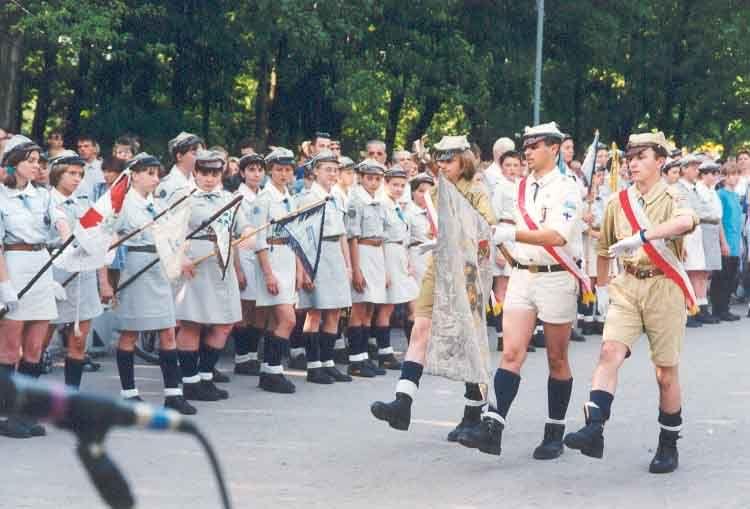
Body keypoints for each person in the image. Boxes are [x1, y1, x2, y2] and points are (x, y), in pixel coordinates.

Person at [564, 131, 698, 474]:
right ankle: (595, 427)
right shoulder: (616, 202)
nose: (633, 163)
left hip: (663, 286)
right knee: (609, 352)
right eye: (630, 157)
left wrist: (642, 236)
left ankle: (669, 443)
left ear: (660, 160)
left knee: (665, 373)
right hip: (627, 287)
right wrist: (604, 289)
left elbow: (686, 222)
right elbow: (606, 249)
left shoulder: (674, 195)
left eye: (641, 156)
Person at [459, 122, 585, 460]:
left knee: (556, 357)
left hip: (556, 276)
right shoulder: (522, 186)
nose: (527, 151)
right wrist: (497, 236)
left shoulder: (568, 188)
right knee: (511, 352)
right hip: (523, 274)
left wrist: (511, 235)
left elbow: (557, 235)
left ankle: (554, 430)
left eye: (535, 145)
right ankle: (494, 425)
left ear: (554, 148)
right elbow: (508, 225)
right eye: (525, 146)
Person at [370, 135, 496, 441]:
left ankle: (472, 412)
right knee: (420, 329)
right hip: (439, 266)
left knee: (468, 340)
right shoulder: (439, 189)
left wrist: (459, 239)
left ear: (464, 161)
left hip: (466, 271)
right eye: (439, 159)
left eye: (448, 160)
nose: (442, 165)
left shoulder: (476, 191)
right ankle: (403, 403)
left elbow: (487, 230)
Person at [111, 153, 194, 414]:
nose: (154, 178)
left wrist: (181, 256)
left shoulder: (157, 205)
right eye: (148, 173)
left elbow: (171, 236)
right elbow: (108, 238)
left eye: (156, 174)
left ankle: (173, 393)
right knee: (130, 332)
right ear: (133, 174)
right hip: (136, 265)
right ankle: (129, 393)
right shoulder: (122, 204)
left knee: (168, 331)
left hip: (159, 268)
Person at [0, 135, 70, 438]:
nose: (36, 166)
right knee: (8, 350)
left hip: (41, 266)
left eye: (37, 160)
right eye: (29, 161)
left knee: (34, 349)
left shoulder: (45, 194)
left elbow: (59, 219)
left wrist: (67, 234)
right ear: (13, 164)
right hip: (13, 267)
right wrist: (4, 287)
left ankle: (23, 412)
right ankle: (6, 413)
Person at [175, 150, 251, 402]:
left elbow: (242, 226)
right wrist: (181, 258)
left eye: (214, 173)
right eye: (204, 173)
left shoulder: (229, 199)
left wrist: (249, 233)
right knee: (192, 322)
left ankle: (206, 375)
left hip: (222, 264)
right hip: (195, 264)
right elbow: (171, 233)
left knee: (224, 323)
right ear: (195, 173)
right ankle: (190, 381)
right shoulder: (184, 198)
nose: (209, 178)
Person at [45, 151, 109, 389]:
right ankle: (23, 402)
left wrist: (103, 281)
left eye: (80, 174)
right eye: (71, 173)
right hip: (55, 272)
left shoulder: (85, 204)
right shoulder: (46, 201)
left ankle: (71, 398)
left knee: (79, 342)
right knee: (38, 342)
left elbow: (98, 243)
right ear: (57, 172)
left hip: (84, 274)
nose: (77, 178)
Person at [296, 150, 353, 384]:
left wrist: (348, 264)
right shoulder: (309, 198)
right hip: (316, 254)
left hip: (334, 254)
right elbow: (300, 236)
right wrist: (305, 269)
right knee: (315, 311)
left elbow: (341, 235)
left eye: (335, 169)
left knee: (335, 310)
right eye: (327, 169)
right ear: (315, 171)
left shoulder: (337, 198)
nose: (332, 173)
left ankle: (328, 362)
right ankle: (313, 365)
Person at [251, 147, 301, 394]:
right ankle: (274, 370)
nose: (284, 174)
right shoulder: (265, 198)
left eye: (288, 169)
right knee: (288, 320)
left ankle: (268, 373)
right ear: (271, 170)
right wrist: (268, 273)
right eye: (279, 169)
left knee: (275, 321)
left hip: (287, 259)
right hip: (271, 259)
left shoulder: (288, 196)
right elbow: (258, 239)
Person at [346, 159, 389, 377]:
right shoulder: (356, 201)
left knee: (370, 308)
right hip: (362, 251)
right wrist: (356, 269)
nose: (373, 183)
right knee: (359, 307)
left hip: (376, 253)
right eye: (369, 178)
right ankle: (354, 358)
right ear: (361, 178)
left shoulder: (379, 201)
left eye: (377, 179)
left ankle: (364, 357)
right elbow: (353, 237)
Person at [373, 166, 419, 370]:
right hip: (388, 254)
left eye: (402, 185)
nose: (399, 189)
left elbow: (405, 235)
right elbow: (380, 238)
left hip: (401, 253)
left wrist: (407, 258)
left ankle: (415, 351)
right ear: (386, 184)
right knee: (387, 306)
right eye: (395, 185)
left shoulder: (398, 205)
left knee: (413, 302)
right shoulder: (382, 205)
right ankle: (384, 352)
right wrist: (383, 269)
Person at [232, 153, 266, 376]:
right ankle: (241, 357)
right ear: (242, 173)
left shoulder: (266, 196)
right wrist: (238, 269)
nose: (256, 174)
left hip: (263, 257)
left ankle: (253, 355)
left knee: (258, 309)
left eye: (259, 170)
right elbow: (233, 236)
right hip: (244, 256)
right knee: (244, 309)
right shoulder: (237, 197)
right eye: (251, 170)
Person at [490, 150, 525, 350]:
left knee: (515, 289)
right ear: (501, 168)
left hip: (518, 235)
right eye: (508, 165)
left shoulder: (524, 186)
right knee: (502, 290)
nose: (512, 169)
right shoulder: (500, 187)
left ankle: (514, 332)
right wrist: (498, 250)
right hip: (504, 233)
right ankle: (502, 335)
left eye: (515, 165)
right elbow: (493, 218)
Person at [676, 154, 711, 327]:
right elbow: (688, 211)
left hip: (696, 233)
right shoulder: (678, 189)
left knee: (697, 271)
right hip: (685, 234)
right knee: (686, 273)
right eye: (693, 167)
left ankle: (697, 308)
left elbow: (705, 209)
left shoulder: (694, 188)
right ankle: (686, 310)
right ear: (684, 169)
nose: (697, 170)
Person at [711, 162, 742, 321]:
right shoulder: (720, 194)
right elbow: (719, 220)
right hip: (726, 239)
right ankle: (719, 308)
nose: (735, 178)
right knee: (722, 276)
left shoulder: (736, 196)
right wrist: (723, 242)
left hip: (736, 240)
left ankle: (725, 307)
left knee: (732, 276)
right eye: (731, 174)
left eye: (737, 174)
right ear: (725, 176)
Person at [696, 159, 724, 319]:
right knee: (701, 269)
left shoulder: (712, 190)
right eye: (712, 173)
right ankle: (700, 306)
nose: (715, 177)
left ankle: (703, 302)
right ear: (704, 174)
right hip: (704, 226)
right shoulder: (699, 190)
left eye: (716, 173)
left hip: (713, 227)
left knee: (708, 270)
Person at [155, 131, 204, 208]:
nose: (199, 157)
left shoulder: (197, 181)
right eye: (194, 153)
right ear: (179, 156)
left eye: (201, 153)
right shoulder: (167, 184)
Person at [75, 135, 104, 200]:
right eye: (79, 147)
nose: (82, 149)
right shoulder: (75, 169)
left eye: (86, 146)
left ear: (94, 149)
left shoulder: (104, 168)